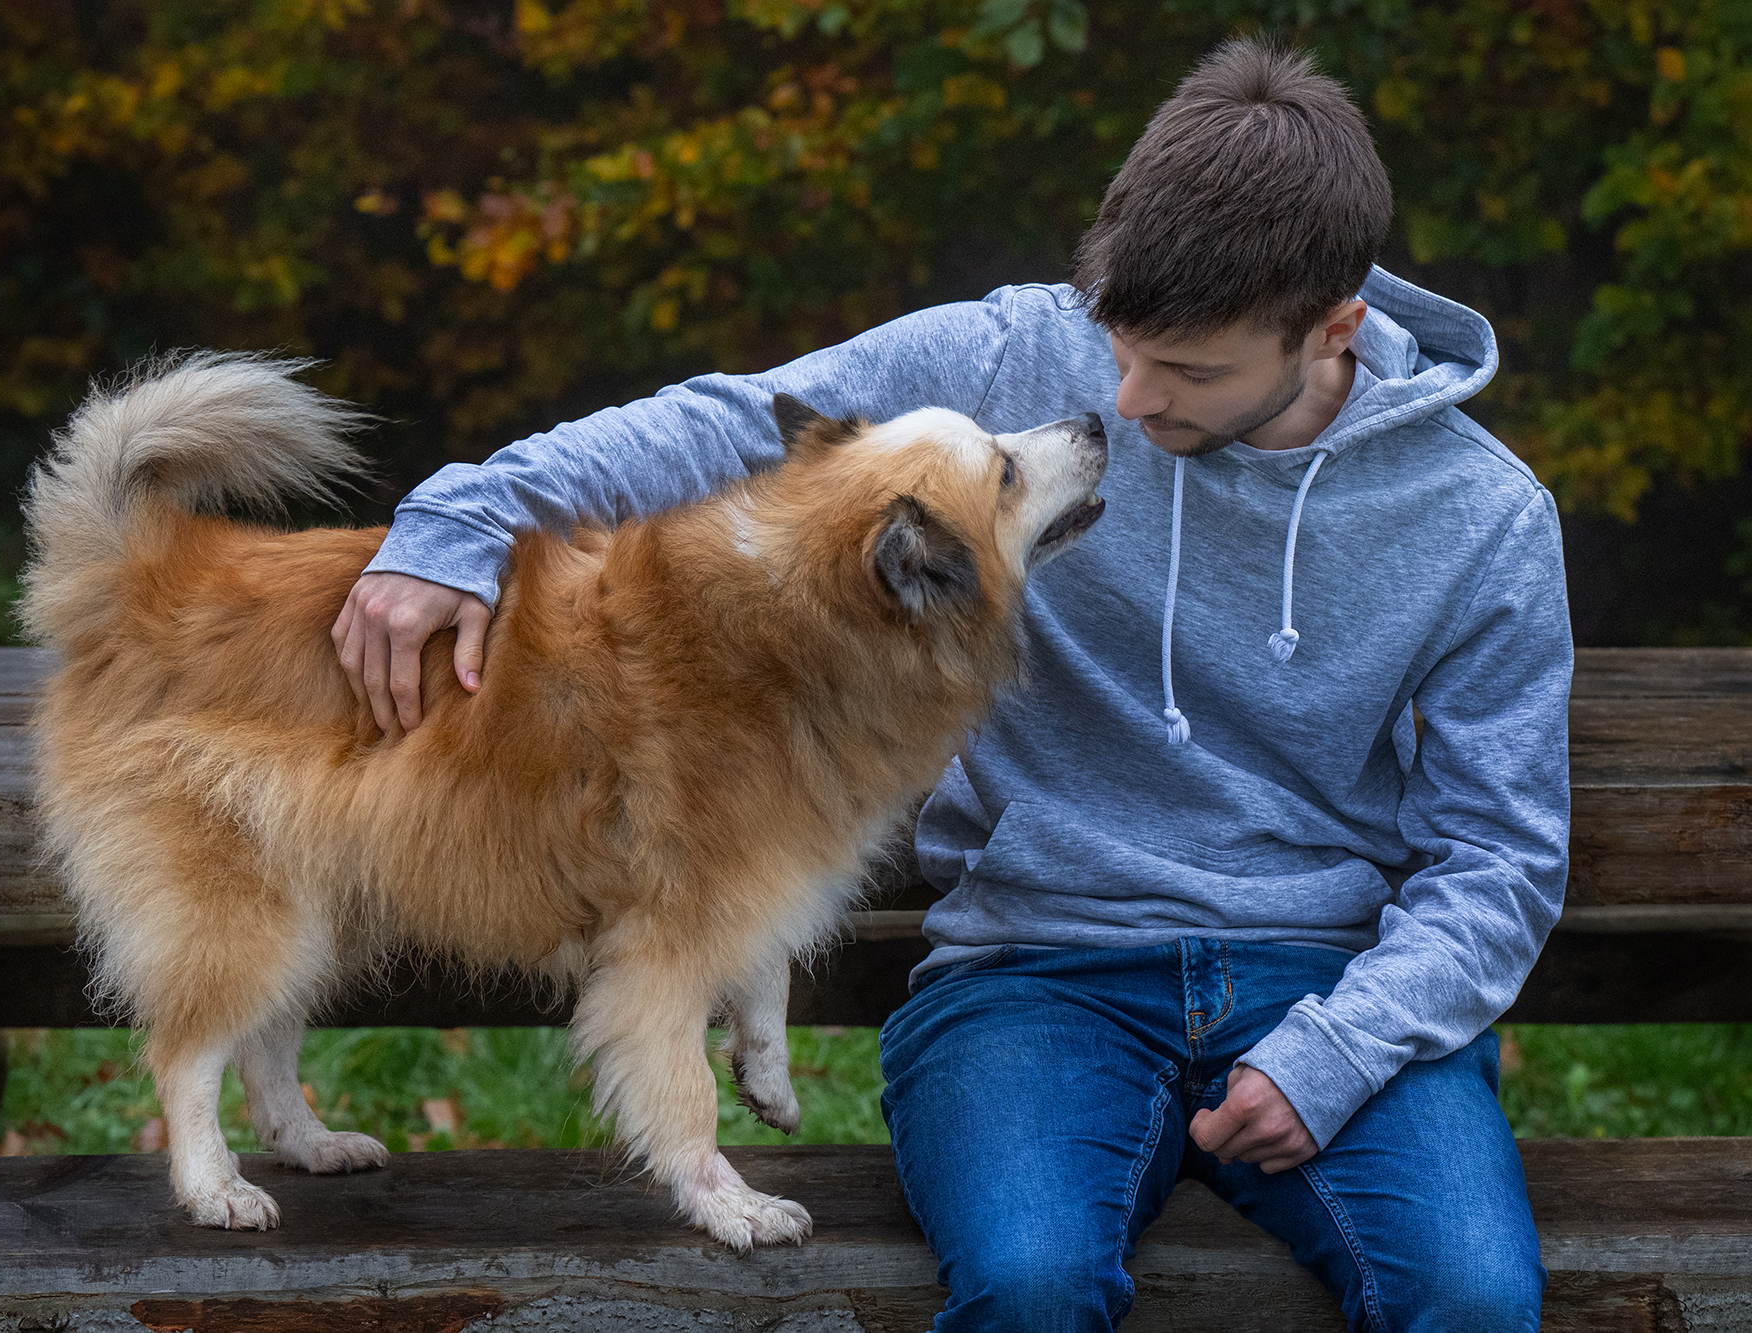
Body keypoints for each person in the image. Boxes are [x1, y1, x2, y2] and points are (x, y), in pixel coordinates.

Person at [333, 38, 1567, 1331]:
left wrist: (1338, 1053)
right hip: (1037, 974)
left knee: (1475, 1295)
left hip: (1329, 974)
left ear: (1334, 330)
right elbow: (721, 422)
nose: (1127, 403)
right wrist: (459, 518)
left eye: (1189, 373)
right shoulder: (1002, 357)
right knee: (1029, 1285)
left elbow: (1499, 856)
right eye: (1119, 345)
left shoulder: (1480, 517)